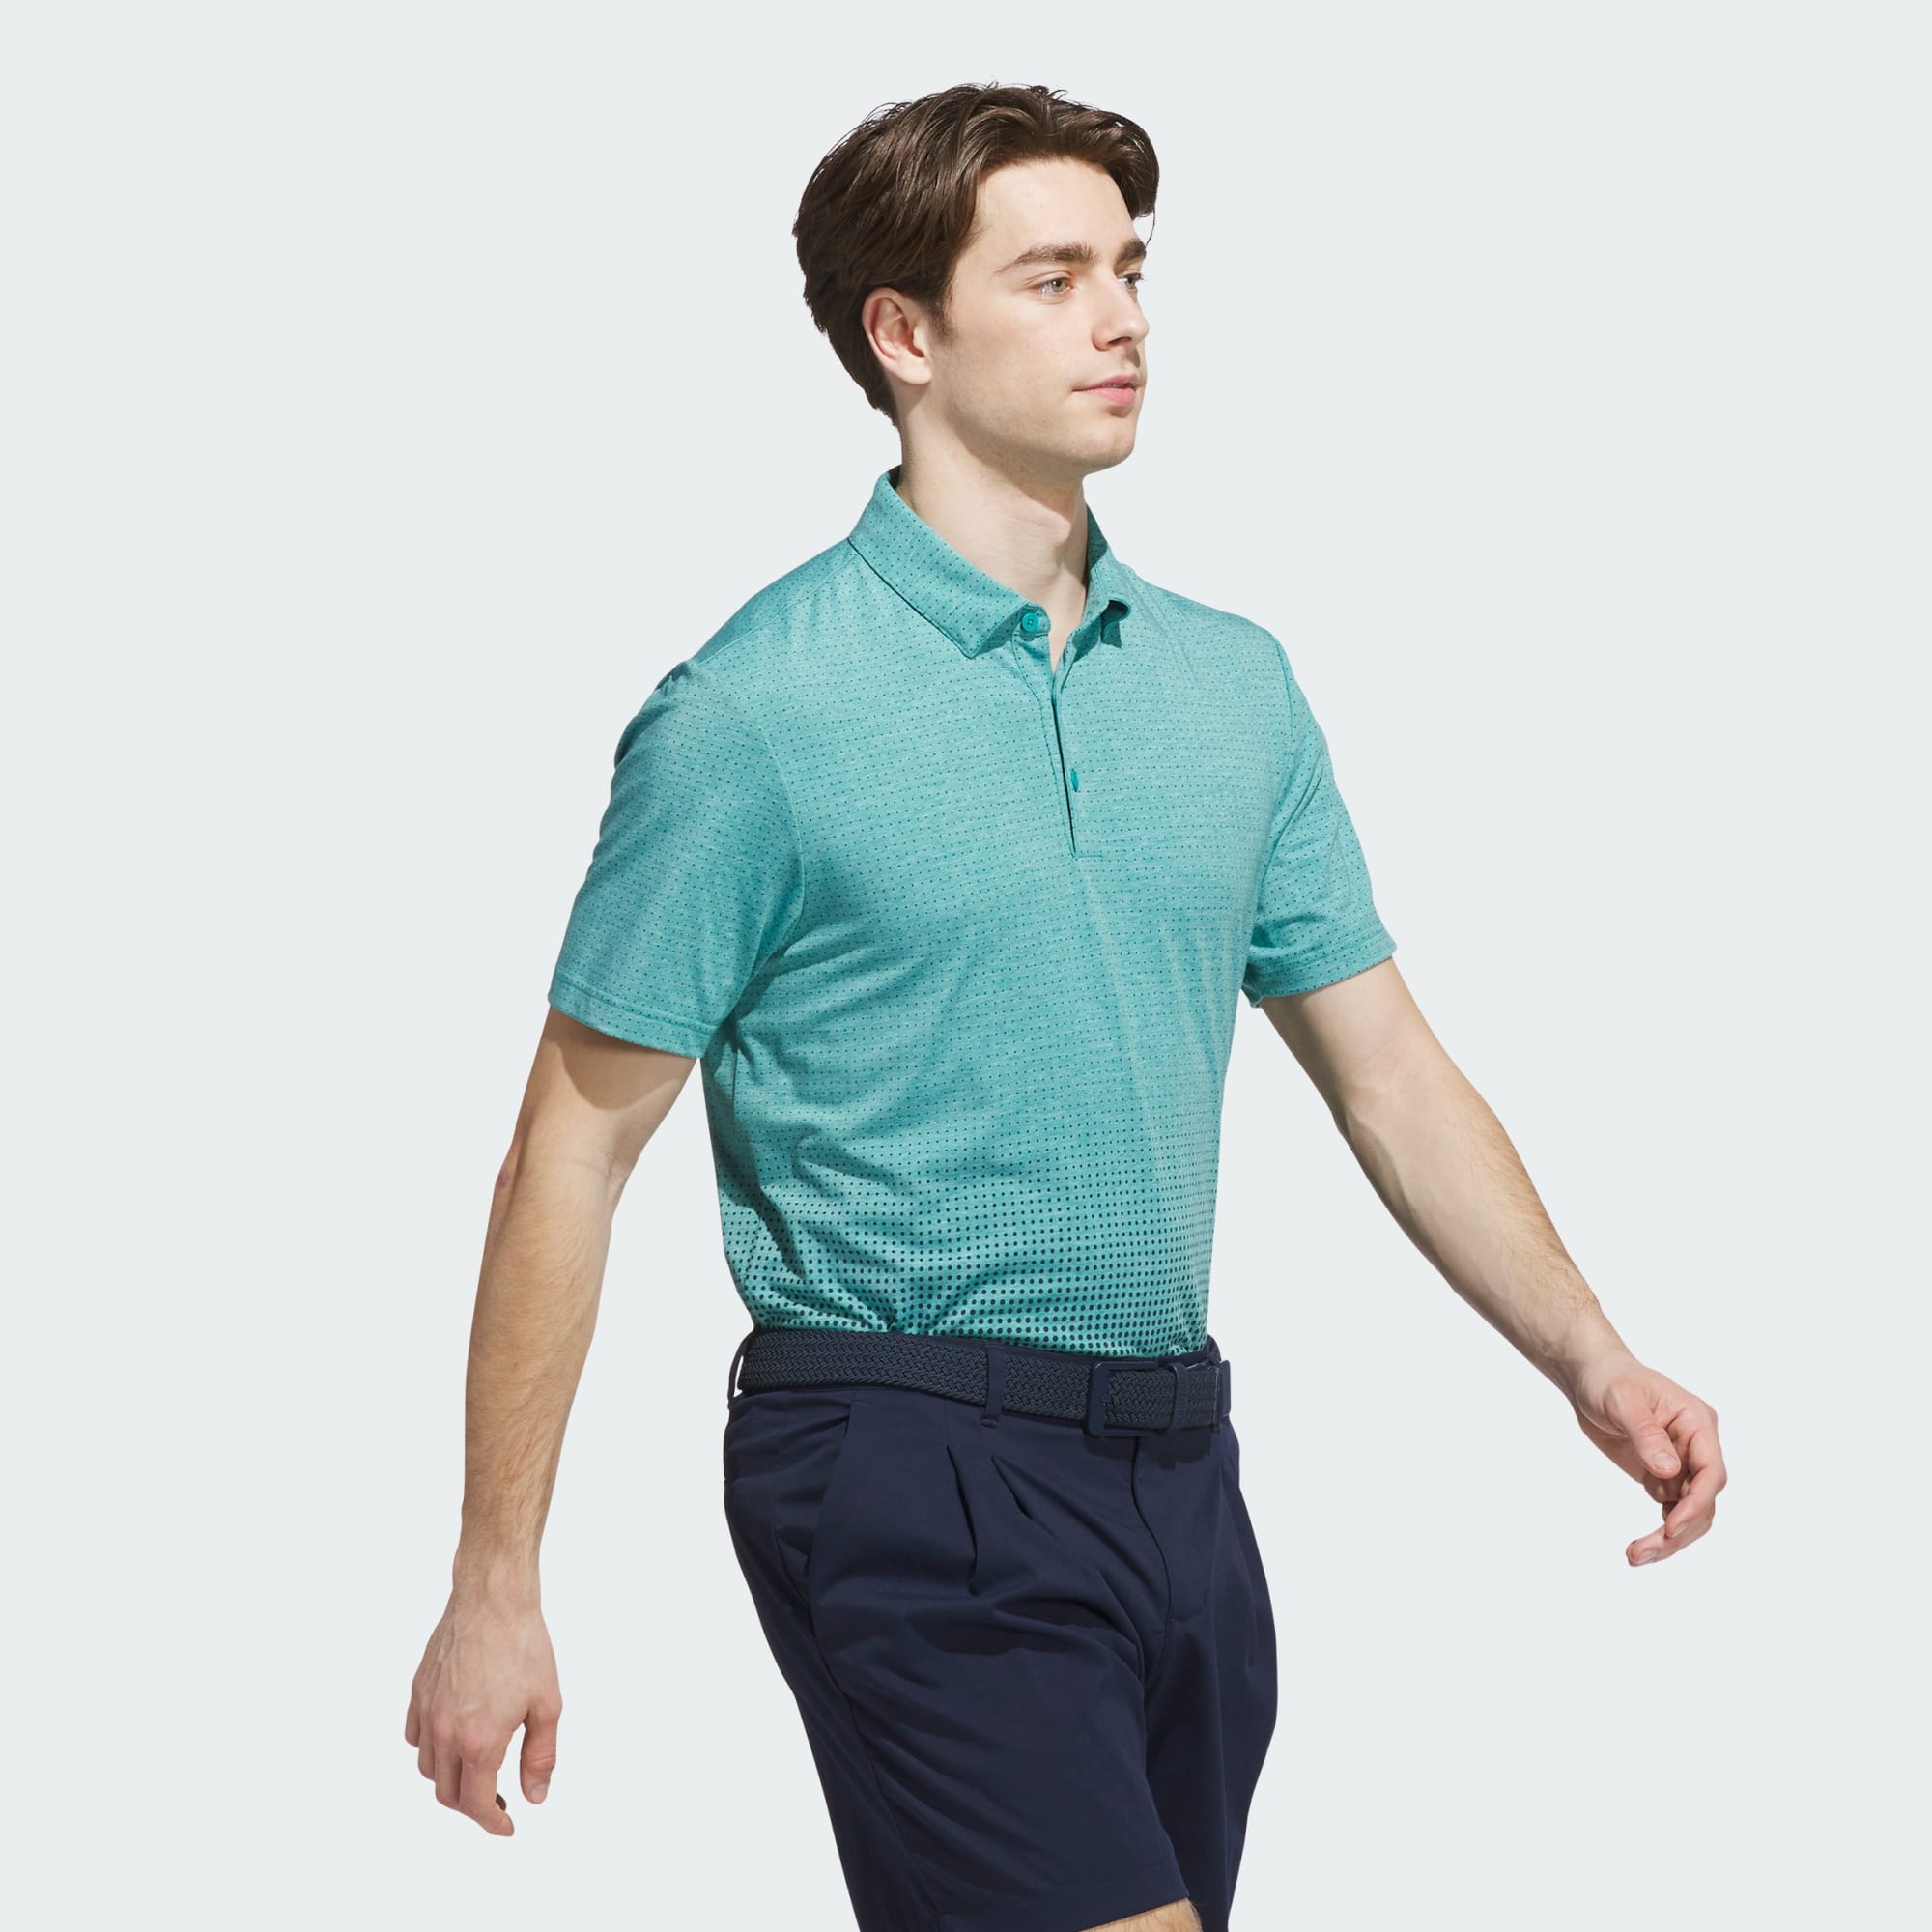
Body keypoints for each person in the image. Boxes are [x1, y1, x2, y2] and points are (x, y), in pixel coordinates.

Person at [404, 81, 1727, 1932]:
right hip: (898, 1450)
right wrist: (495, 1582)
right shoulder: (756, 715)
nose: (1123, 320)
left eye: (1130, 270)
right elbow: (569, 1152)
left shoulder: (1232, 690)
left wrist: (1592, 1355)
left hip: (1181, 1463)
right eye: (1053, 278)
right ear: (905, 334)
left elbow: (1389, 1072)